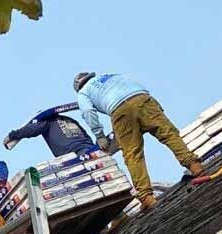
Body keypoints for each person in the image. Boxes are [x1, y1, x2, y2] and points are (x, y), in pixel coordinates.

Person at [74, 72, 204, 210]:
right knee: (169, 135)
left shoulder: (83, 93)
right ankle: (196, 168)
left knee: (132, 154)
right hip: (143, 99)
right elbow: (135, 84)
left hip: (120, 111)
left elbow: (88, 111)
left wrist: (99, 135)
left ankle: (146, 197)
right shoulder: (112, 75)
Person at [3, 105, 97, 157]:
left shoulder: (47, 122)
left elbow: (30, 129)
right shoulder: (69, 119)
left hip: (72, 154)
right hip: (88, 148)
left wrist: (13, 135)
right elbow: (86, 135)